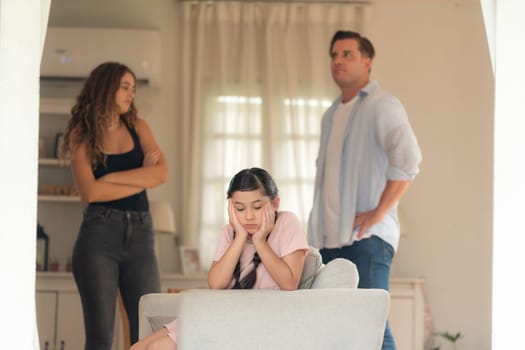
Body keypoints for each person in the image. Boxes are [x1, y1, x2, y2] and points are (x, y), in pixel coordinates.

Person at [307, 30, 422, 350]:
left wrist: (378, 213)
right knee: (337, 331)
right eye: (334, 55)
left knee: (372, 327)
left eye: (347, 54)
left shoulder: (382, 105)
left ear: (368, 62)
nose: (338, 61)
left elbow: (409, 160)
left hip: (366, 241)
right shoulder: (331, 114)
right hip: (327, 243)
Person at [130, 167, 309, 350]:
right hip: (219, 311)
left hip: (250, 318)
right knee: (137, 348)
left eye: (257, 207)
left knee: (159, 347)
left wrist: (259, 241)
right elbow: (216, 283)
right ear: (231, 207)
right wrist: (239, 237)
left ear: (275, 203)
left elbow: (289, 283)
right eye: (239, 208)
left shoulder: (287, 223)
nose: (248, 216)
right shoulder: (230, 232)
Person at [62, 61, 168, 349]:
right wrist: (141, 177)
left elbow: (161, 173)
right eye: (124, 87)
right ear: (105, 87)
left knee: (149, 329)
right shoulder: (81, 135)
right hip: (98, 236)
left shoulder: (138, 126)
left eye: (133, 88)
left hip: (141, 235)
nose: (131, 94)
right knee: (100, 337)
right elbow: (91, 194)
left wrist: (111, 176)